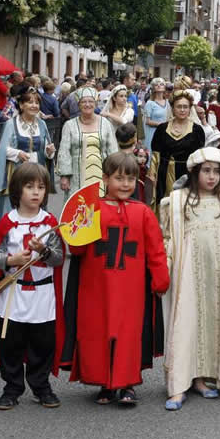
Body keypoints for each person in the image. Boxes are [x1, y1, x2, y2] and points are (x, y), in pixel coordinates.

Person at [60, 152, 170, 406]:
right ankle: (104, 384)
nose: (125, 184)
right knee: (97, 331)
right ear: (105, 179)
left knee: (129, 333)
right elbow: (77, 249)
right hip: (95, 286)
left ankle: (127, 383)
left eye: (130, 179)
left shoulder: (143, 212)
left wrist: (160, 279)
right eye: (119, 178)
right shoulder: (92, 208)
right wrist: (79, 225)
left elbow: (155, 249)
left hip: (131, 288)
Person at [159, 147, 220, 410]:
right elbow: (167, 239)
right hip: (185, 273)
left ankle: (200, 379)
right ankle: (177, 386)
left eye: (216, 171)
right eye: (206, 171)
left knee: (210, 325)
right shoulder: (176, 201)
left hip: (218, 275)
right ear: (195, 172)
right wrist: (164, 267)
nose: (211, 177)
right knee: (184, 325)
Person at [0, 163, 66, 410]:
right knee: (10, 343)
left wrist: (42, 250)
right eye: (30, 186)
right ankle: (12, 387)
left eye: (41, 187)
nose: (36, 192)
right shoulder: (8, 222)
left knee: (42, 343)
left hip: (43, 295)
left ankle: (41, 386)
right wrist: (12, 260)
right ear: (17, 190)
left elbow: (57, 258)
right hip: (14, 294)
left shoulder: (50, 222)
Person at [0, 87, 56, 222]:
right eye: (30, 102)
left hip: (37, 172)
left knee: (36, 204)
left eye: (37, 103)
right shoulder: (11, 124)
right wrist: (18, 153)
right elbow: (3, 149)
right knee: (16, 207)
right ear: (21, 105)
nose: (34, 106)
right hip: (17, 173)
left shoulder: (42, 124)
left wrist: (49, 152)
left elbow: (45, 149)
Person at [150, 90, 206, 214]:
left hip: (187, 174)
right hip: (164, 174)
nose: (182, 110)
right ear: (173, 108)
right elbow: (155, 154)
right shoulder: (162, 129)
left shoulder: (197, 130)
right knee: (165, 206)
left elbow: (200, 157)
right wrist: (152, 175)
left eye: (185, 107)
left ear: (190, 109)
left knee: (185, 206)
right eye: (179, 106)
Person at [57, 87, 117, 202]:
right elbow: (64, 151)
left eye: (91, 101)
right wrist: (64, 176)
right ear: (78, 105)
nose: (87, 105)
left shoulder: (105, 123)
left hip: (101, 173)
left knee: (100, 207)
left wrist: (114, 173)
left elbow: (112, 150)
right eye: (84, 102)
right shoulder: (69, 125)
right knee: (78, 207)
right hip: (76, 174)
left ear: (95, 104)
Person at [143, 78, 169, 150]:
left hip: (165, 132)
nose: (159, 85)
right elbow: (147, 121)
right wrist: (162, 124)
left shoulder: (168, 102)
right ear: (153, 88)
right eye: (156, 84)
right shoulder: (150, 103)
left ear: (164, 87)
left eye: (161, 84)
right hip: (153, 133)